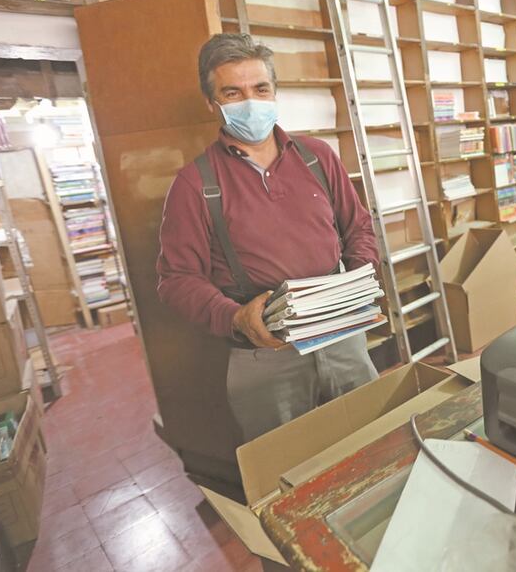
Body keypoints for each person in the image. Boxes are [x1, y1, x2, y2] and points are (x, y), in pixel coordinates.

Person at [157, 33, 380, 442]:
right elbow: (177, 280)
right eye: (233, 92)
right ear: (213, 104)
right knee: (286, 465)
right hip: (264, 354)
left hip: (341, 333)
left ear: (275, 91)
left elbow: (359, 228)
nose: (251, 101)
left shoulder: (318, 157)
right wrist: (235, 317)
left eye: (261, 89)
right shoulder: (195, 183)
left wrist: (356, 282)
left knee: (370, 439)